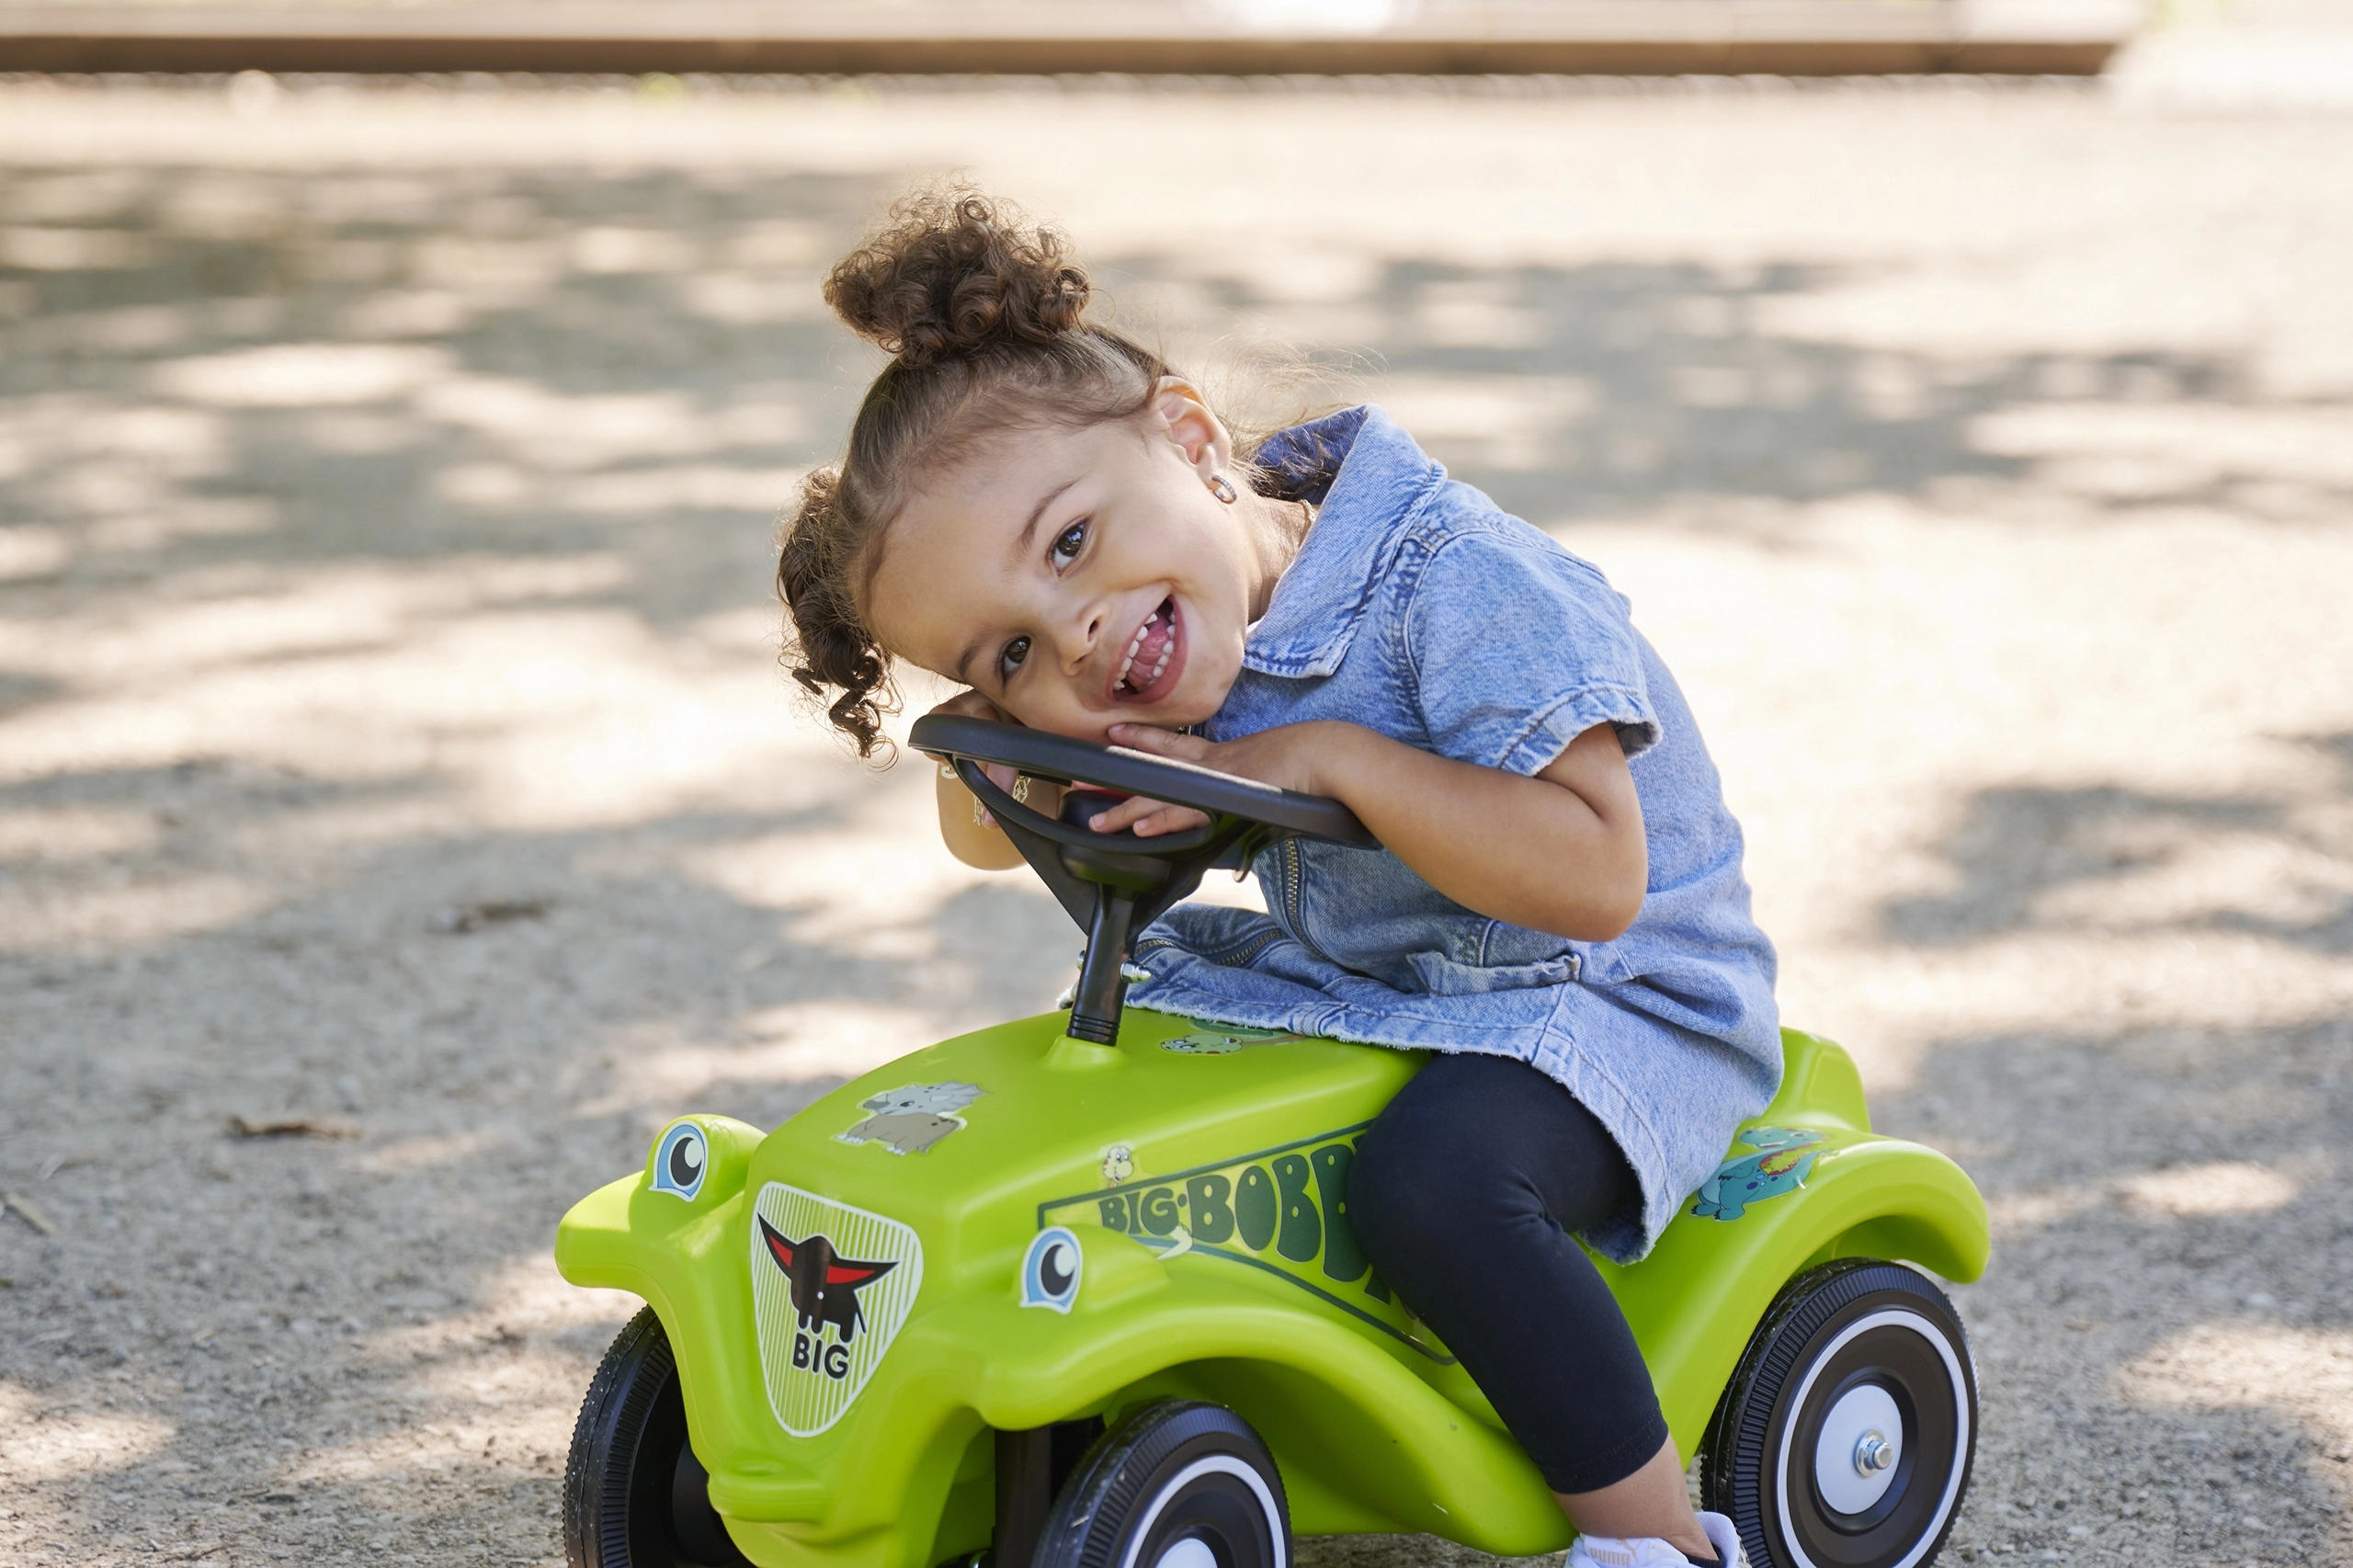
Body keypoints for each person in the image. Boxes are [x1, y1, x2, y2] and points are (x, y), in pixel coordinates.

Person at [779, 187, 1779, 1568]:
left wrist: (1328, 757)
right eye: (1007, 651)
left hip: (1608, 995)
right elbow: (979, 835)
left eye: (1069, 543)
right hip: (1388, 988)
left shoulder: (1460, 583)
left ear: (1194, 444)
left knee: (1435, 1185)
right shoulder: (1157, 650)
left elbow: (1598, 876)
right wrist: (1012, 745)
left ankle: (1657, 1538)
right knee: (1119, 1112)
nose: (1075, 634)